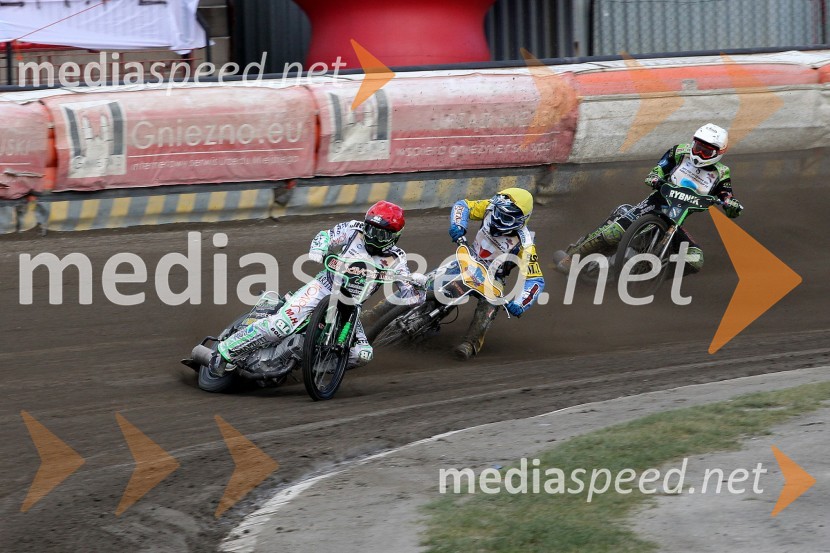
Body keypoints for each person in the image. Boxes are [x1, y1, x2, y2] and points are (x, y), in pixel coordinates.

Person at [210, 200, 423, 374]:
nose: (373, 237)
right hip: (323, 287)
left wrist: (418, 286)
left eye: (381, 234)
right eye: (371, 229)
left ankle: (312, 365)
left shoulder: (397, 258)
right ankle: (225, 351)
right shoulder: (353, 229)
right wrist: (319, 250)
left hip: (351, 308)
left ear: (395, 236)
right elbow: (326, 236)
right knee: (280, 326)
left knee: (362, 354)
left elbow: (410, 295)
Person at [554, 123, 744, 275]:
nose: (699, 154)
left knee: (695, 260)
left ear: (718, 153)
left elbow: (726, 195)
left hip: (675, 221)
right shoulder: (679, 152)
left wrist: (730, 203)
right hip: (654, 205)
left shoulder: (721, 173)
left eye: (706, 151)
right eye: (697, 147)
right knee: (614, 232)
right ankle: (571, 257)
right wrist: (654, 176)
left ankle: (650, 273)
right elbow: (660, 167)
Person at [447, 187, 545, 360]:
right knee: (426, 284)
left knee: (491, 303)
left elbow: (535, 279)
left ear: (521, 220)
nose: (498, 218)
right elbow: (463, 206)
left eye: (506, 217)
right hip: (468, 260)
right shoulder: (490, 207)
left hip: (493, 278)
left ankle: (470, 343)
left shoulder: (526, 244)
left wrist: (521, 303)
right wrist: (458, 225)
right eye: (498, 212)